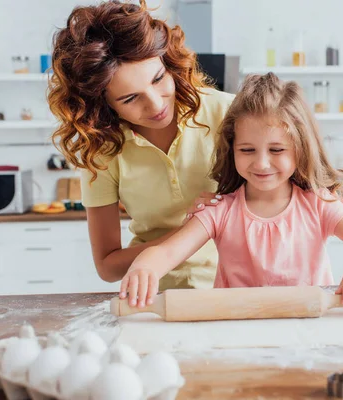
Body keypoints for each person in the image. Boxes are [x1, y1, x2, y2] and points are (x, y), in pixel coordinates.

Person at [119, 73, 343, 311]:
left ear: (300, 148)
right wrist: (145, 265)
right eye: (247, 150)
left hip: (308, 330)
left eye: (277, 150)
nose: (261, 163)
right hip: (237, 332)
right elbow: (166, 254)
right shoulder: (219, 210)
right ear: (232, 149)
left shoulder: (319, 205)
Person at [47, 1, 233, 291]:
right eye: (130, 99)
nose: (156, 104)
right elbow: (108, 267)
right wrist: (193, 231)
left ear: (168, 63)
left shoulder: (229, 114)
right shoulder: (102, 150)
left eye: (158, 79)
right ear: (101, 105)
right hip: (153, 298)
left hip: (237, 289)